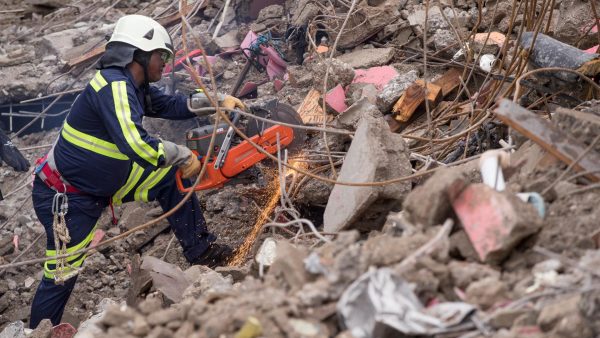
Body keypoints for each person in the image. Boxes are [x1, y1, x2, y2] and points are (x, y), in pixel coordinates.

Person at [29, 14, 244, 329]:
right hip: (67, 197)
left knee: (170, 179)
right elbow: (136, 145)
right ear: (139, 54)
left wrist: (216, 101)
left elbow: (171, 105)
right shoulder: (114, 86)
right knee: (61, 277)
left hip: (101, 185)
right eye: (161, 55)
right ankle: (38, 332)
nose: (163, 63)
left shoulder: (133, 86)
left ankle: (203, 251)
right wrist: (180, 154)